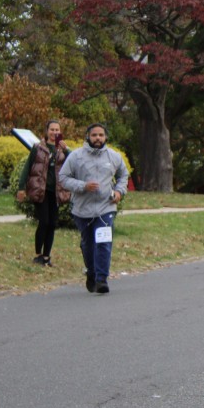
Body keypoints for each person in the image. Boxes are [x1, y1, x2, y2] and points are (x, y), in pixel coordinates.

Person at [58, 123, 129, 294]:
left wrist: (119, 191)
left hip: (106, 208)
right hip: (82, 209)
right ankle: (91, 272)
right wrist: (83, 186)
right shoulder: (76, 156)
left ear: (106, 137)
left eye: (101, 135)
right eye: (94, 135)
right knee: (88, 245)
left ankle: (101, 279)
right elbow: (63, 178)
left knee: (103, 243)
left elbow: (123, 175)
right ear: (88, 137)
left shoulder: (114, 156)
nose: (98, 138)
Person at [16, 120, 71, 266]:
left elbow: (74, 162)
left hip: (56, 192)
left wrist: (66, 150)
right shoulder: (38, 147)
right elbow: (28, 167)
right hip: (40, 190)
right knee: (44, 221)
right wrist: (21, 187)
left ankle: (47, 256)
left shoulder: (62, 149)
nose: (55, 132)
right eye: (52, 129)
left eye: (57, 130)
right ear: (47, 131)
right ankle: (38, 254)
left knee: (52, 224)